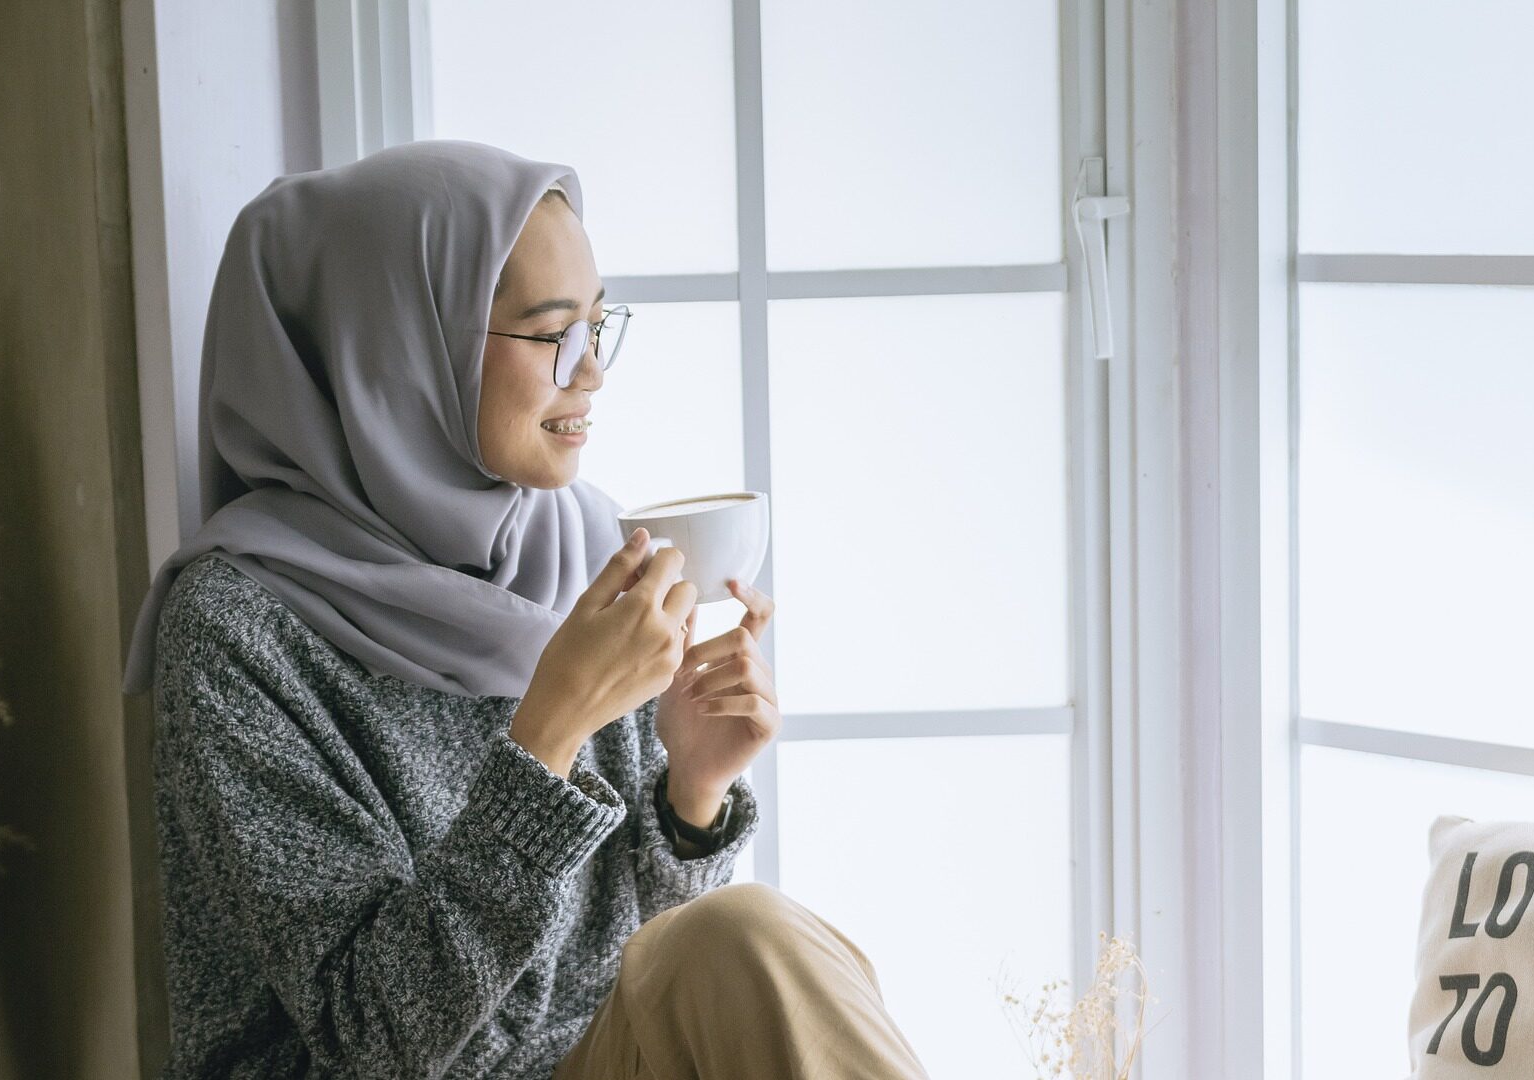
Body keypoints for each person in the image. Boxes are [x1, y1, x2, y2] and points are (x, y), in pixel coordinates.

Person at [120, 139, 930, 1079]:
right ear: (395, 349)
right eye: (553, 335)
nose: (591, 373)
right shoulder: (237, 628)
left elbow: (638, 963)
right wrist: (549, 731)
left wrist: (690, 796)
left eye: (599, 325)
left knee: (744, 935)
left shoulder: (574, 548)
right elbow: (376, 1042)